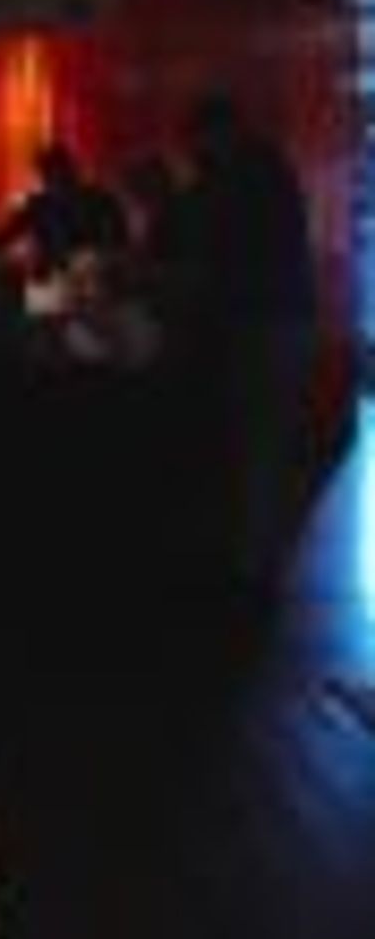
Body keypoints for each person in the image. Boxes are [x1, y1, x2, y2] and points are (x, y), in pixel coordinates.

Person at [176, 91, 319, 591]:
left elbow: (216, 259)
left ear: (219, 132)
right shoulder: (265, 167)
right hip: (284, 320)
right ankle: (256, 557)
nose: (196, 151)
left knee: (257, 444)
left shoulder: (242, 176)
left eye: (199, 141)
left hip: (265, 323)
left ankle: (251, 564)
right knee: (265, 444)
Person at [0, 141, 128, 278]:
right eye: (48, 173)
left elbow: (117, 238)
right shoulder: (39, 204)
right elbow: (6, 234)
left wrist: (97, 259)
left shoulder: (98, 198)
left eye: (57, 171)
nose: (54, 178)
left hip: (91, 275)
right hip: (59, 277)